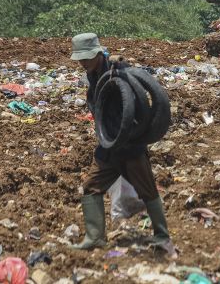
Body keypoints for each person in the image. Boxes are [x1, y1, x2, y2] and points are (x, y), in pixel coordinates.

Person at [69, 33, 175, 255]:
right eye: (80, 59)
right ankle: (95, 237)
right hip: (108, 145)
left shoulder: (117, 71)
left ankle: (163, 237)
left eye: (87, 58)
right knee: (90, 187)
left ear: (98, 53)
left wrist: (132, 131)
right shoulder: (93, 75)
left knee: (147, 190)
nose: (83, 63)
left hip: (129, 145)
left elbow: (135, 96)